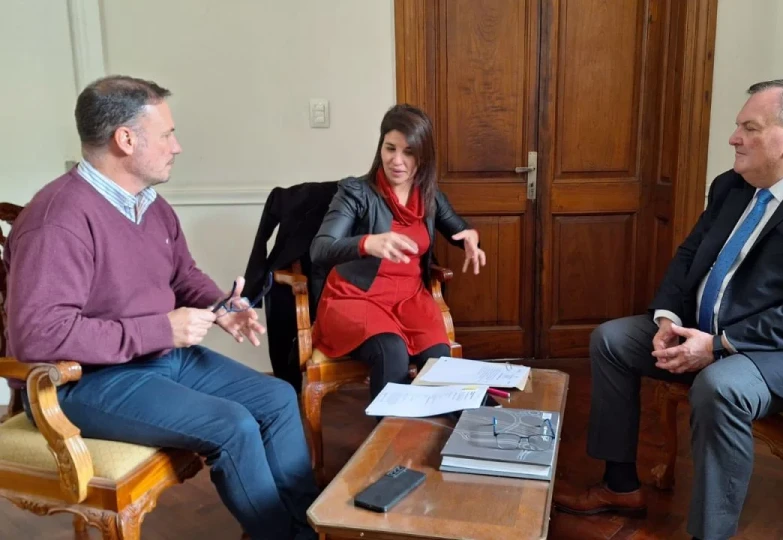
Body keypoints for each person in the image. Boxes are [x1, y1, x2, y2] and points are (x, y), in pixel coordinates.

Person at [552, 78, 783, 539]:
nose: (734, 138)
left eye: (750, 128)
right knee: (611, 340)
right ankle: (620, 487)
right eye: (738, 127)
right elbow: (690, 256)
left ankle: (710, 534)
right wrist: (668, 319)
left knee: (721, 385)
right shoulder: (733, 185)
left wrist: (721, 344)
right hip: (709, 332)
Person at [5, 75, 319, 540]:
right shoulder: (57, 220)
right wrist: (160, 331)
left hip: (161, 360)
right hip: (83, 381)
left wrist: (223, 305)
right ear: (126, 139)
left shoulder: (149, 204)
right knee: (232, 426)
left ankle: (308, 527)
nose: (177, 146)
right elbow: (37, 336)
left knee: (275, 399)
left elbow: (181, 275)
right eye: (167, 134)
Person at [310, 104, 486, 399]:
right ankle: (392, 443)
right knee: (391, 351)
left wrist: (470, 237)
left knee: (439, 357)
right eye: (390, 148)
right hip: (356, 298)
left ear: (423, 156)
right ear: (381, 147)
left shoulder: (429, 195)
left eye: (408, 152)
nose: (397, 161)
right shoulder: (356, 192)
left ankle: (432, 436)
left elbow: (457, 228)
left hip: (409, 299)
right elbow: (320, 248)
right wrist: (368, 242)